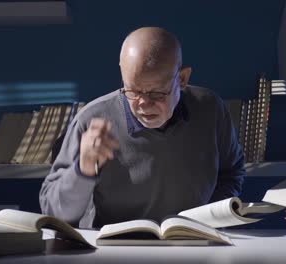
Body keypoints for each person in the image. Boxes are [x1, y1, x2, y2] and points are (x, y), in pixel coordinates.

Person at [40, 27, 245, 228]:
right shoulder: (90, 120)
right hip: (114, 252)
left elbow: (231, 172)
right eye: (133, 90)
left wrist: (212, 218)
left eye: (157, 93)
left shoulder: (211, 109)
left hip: (196, 243)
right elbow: (54, 214)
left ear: (182, 79)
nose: (143, 104)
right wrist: (82, 170)